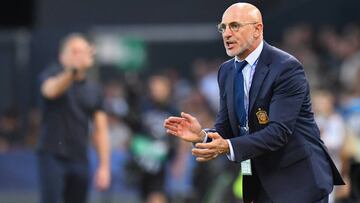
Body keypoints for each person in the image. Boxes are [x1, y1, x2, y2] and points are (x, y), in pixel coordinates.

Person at [164, 3, 344, 203]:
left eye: (235, 26)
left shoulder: (286, 67)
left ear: (258, 29)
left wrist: (227, 146)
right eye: (223, 28)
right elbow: (228, 127)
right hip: (260, 184)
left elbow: (279, 132)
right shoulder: (226, 72)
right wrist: (202, 136)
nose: (227, 34)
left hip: (299, 183)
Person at [37, 33, 110, 203]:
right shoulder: (51, 74)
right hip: (53, 155)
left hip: (79, 157)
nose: (81, 55)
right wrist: (73, 70)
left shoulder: (93, 88)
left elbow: (101, 130)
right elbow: (51, 90)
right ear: (62, 57)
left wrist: (104, 166)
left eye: (84, 51)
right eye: (75, 52)